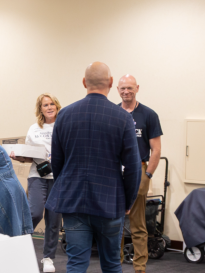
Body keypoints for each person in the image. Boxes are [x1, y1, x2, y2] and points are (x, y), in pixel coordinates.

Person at [46, 62, 141, 273]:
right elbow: (134, 167)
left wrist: (68, 187)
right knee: (111, 264)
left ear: (83, 83)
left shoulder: (64, 115)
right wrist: (128, 199)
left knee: (76, 264)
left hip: (74, 201)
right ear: (110, 82)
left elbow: (57, 162)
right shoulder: (123, 118)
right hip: (110, 202)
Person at [10, 93, 62, 273]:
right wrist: (18, 156)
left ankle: (48, 258)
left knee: (54, 220)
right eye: (45, 105)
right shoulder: (34, 128)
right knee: (35, 212)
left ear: (57, 106)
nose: (49, 107)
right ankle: (18, 245)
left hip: (58, 178)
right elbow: (28, 155)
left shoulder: (63, 125)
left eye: (51, 104)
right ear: (40, 109)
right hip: (37, 175)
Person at [117, 74, 163, 273]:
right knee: (115, 223)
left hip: (139, 169)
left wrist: (148, 175)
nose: (126, 91)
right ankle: (114, 265)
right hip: (114, 171)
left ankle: (139, 267)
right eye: (122, 88)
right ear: (117, 90)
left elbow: (157, 150)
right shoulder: (113, 112)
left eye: (130, 88)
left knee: (138, 224)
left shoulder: (148, 115)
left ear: (137, 88)